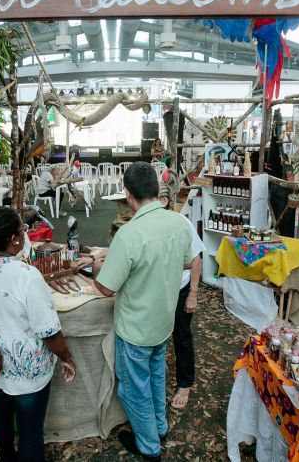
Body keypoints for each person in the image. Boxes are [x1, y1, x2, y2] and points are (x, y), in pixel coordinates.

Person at [0, 206, 76, 462]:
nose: (25, 233)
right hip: (28, 371)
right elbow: (49, 333)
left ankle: (7, 458)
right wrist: (67, 358)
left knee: (0, 412)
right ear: (14, 239)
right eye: (23, 229)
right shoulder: (27, 276)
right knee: (30, 431)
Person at [91, 162, 193, 461]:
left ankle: (149, 445)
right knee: (156, 374)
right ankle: (158, 426)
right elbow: (187, 262)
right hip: (163, 319)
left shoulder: (128, 233)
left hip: (136, 326)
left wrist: (99, 268)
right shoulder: (178, 223)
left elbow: (106, 288)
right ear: (156, 189)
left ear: (127, 195)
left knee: (134, 389)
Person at [157, 183, 203, 410]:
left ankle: (185, 383)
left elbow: (195, 258)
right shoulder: (145, 224)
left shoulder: (182, 224)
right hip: (156, 291)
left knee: (182, 336)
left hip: (180, 289)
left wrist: (192, 294)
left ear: (164, 202)